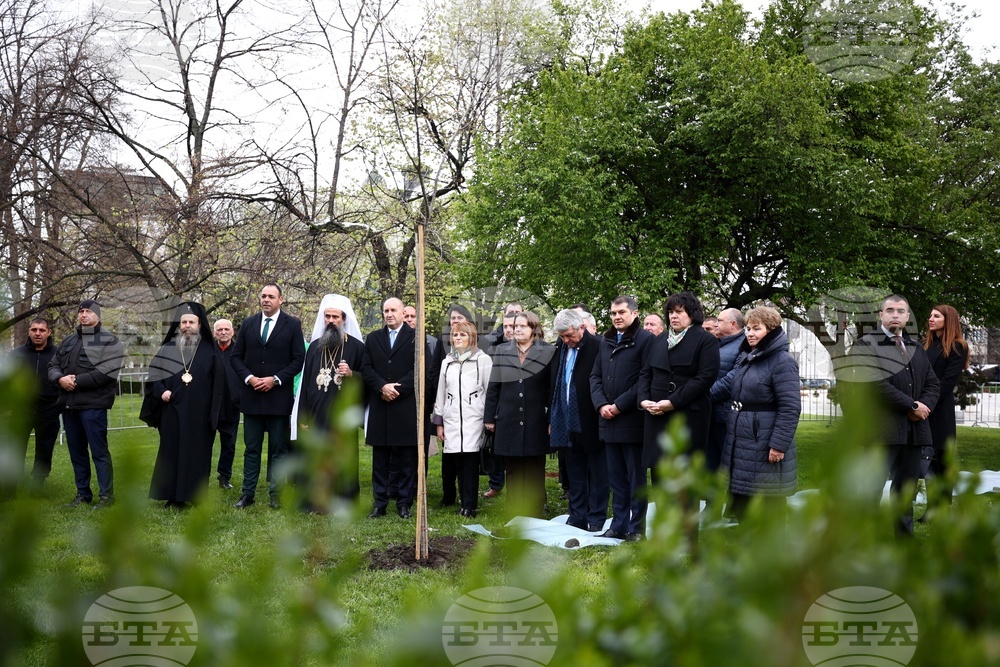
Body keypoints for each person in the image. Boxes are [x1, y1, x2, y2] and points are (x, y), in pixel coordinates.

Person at [848, 294, 939, 537]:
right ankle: (864, 542)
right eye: (890, 310)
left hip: (913, 433)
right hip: (882, 431)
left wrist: (922, 407)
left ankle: (904, 541)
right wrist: (912, 406)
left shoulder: (916, 348)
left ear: (908, 317)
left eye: (900, 311)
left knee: (906, 490)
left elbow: (933, 385)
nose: (895, 315)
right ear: (881, 315)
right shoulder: (866, 345)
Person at [638, 293, 719, 552]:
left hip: (689, 415)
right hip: (656, 416)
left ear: (692, 314)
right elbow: (645, 373)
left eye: (680, 311)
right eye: (671, 311)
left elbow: (705, 378)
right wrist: (644, 401)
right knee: (660, 475)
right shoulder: (658, 340)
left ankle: (687, 537)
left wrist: (672, 402)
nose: (674, 315)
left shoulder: (705, 340)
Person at [720, 306, 800, 525]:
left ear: (771, 330)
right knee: (746, 503)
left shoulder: (782, 362)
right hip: (743, 442)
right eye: (747, 328)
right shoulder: (749, 358)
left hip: (765, 443)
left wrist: (779, 445)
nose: (750, 333)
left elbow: (790, 407)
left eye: (757, 328)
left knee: (768, 504)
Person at [141, 303, 224, 508]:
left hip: (200, 414)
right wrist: (162, 392)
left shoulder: (210, 351)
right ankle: (172, 497)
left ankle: (195, 496)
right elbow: (154, 376)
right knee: (172, 453)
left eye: (191, 322)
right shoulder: (168, 348)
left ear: (200, 325)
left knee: (198, 454)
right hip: (173, 411)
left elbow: (219, 384)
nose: (187, 326)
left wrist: (214, 413)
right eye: (184, 322)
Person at [231, 283, 306, 509]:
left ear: (280, 300)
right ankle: (247, 494)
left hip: (279, 398)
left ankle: (276, 493)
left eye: (271, 296)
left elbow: (298, 359)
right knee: (251, 448)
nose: (266, 300)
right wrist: (249, 378)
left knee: (278, 449)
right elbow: (236, 357)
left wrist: (276, 379)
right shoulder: (248, 324)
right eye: (263, 296)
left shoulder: (292, 325)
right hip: (252, 397)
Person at [48, 300, 124, 509]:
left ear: (98, 316)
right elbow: (53, 364)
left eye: (88, 311)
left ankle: (107, 497)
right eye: (81, 311)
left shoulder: (109, 341)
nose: (83, 315)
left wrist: (76, 381)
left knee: (99, 452)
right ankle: (83, 494)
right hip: (69, 406)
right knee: (77, 453)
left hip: (93, 406)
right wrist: (60, 379)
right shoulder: (69, 340)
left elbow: (108, 370)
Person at [590, 296, 655, 541]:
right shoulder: (606, 341)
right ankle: (618, 525)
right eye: (613, 313)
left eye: (621, 312)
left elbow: (644, 379)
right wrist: (601, 405)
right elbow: (595, 376)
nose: (617, 317)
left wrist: (618, 405)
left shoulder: (646, 340)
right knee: (616, 478)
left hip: (632, 420)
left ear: (634, 313)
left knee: (635, 478)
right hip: (607, 420)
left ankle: (637, 528)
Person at [292, 294, 365, 505]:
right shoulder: (315, 346)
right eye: (327, 316)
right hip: (316, 411)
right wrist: (303, 414)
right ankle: (312, 500)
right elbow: (305, 382)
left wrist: (351, 374)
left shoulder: (357, 347)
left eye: (335, 317)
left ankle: (343, 499)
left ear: (344, 319)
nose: (331, 321)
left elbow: (366, 381)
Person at [484, 311, 556, 518]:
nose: (517, 330)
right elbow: (494, 387)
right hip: (508, 418)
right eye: (515, 326)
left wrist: (551, 418)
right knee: (513, 469)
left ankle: (535, 512)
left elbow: (552, 389)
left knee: (534, 468)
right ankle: (515, 513)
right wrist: (489, 418)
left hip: (536, 419)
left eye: (522, 326)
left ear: (533, 328)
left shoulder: (548, 351)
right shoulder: (501, 351)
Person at [361, 297, 420, 519]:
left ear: (403, 312)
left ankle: (404, 503)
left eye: (393, 310)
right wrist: (382, 387)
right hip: (381, 405)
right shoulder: (374, 338)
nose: (389, 314)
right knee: (381, 459)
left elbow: (419, 369)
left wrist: (397, 389)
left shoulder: (415, 338)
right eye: (385, 310)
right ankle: (380, 502)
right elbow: (366, 368)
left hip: (404, 405)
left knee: (406, 458)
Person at [550, 308, 605, 531]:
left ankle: (597, 517)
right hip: (567, 420)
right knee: (575, 472)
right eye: (562, 336)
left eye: (569, 335)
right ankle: (577, 516)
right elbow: (557, 382)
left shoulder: (598, 346)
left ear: (582, 327)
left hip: (591, 419)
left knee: (598, 472)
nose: (566, 340)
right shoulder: (562, 348)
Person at [432, 320, 493, 518]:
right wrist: (438, 422)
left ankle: (470, 505)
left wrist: (488, 418)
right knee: (456, 461)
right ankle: (460, 500)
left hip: (473, 419)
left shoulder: (482, 360)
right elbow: (441, 392)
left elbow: (489, 391)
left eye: (462, 335)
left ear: (472, 338)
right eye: (455, 335)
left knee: (470, 461)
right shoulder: (447, 361)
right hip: (451, 419)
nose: (458, 338)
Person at [921, 304, 969, 516]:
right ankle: (932, 508)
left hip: (940, 411)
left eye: (936, 316)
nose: (931, 319)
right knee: (929, 461)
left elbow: (947, 382)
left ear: (947, 320)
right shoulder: (928, 345)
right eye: (931, 315)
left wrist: (927, 404)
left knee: (943, 461)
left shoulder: (958, 346)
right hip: (924, 409)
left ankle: (944, 508)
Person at [8, 317, 61, 498]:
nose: (37, 333)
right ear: (29, 331)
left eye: (42, 330)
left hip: (49, 409)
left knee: (44, 450)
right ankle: (9, 490)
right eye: (34, 330)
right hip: (21, 410)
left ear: (49, 333)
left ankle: (37, 488)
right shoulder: (16, 354)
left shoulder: (58, 354)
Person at [483, 311, 518, 499]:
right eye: (505, 327)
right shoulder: (494, 346)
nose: (509, 330)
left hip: (520, 408)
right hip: (500, 406)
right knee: (495, 450)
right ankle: (496, 483)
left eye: (512, 326)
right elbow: (492, 384)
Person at [707, 308, 746, 474]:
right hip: (711, 417)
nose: (715, 324)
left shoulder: (745, 345)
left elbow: (733, 379)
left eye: (720, 321)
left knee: (730, 470)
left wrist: (704, 396)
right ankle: (712, 500)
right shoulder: (716, 344)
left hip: (727, 418)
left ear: (733, 324)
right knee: (710, 468)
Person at [212, 319, 240, 489]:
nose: (223, 332)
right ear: (215, 332)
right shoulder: (208, 350)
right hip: (210, 404)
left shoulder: (239, 351)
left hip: (231, 405)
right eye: (219, 329)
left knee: (229, 444)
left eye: (226, 329)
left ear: (232, 331)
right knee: (203, 442)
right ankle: (200, 475)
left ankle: (224, 477)